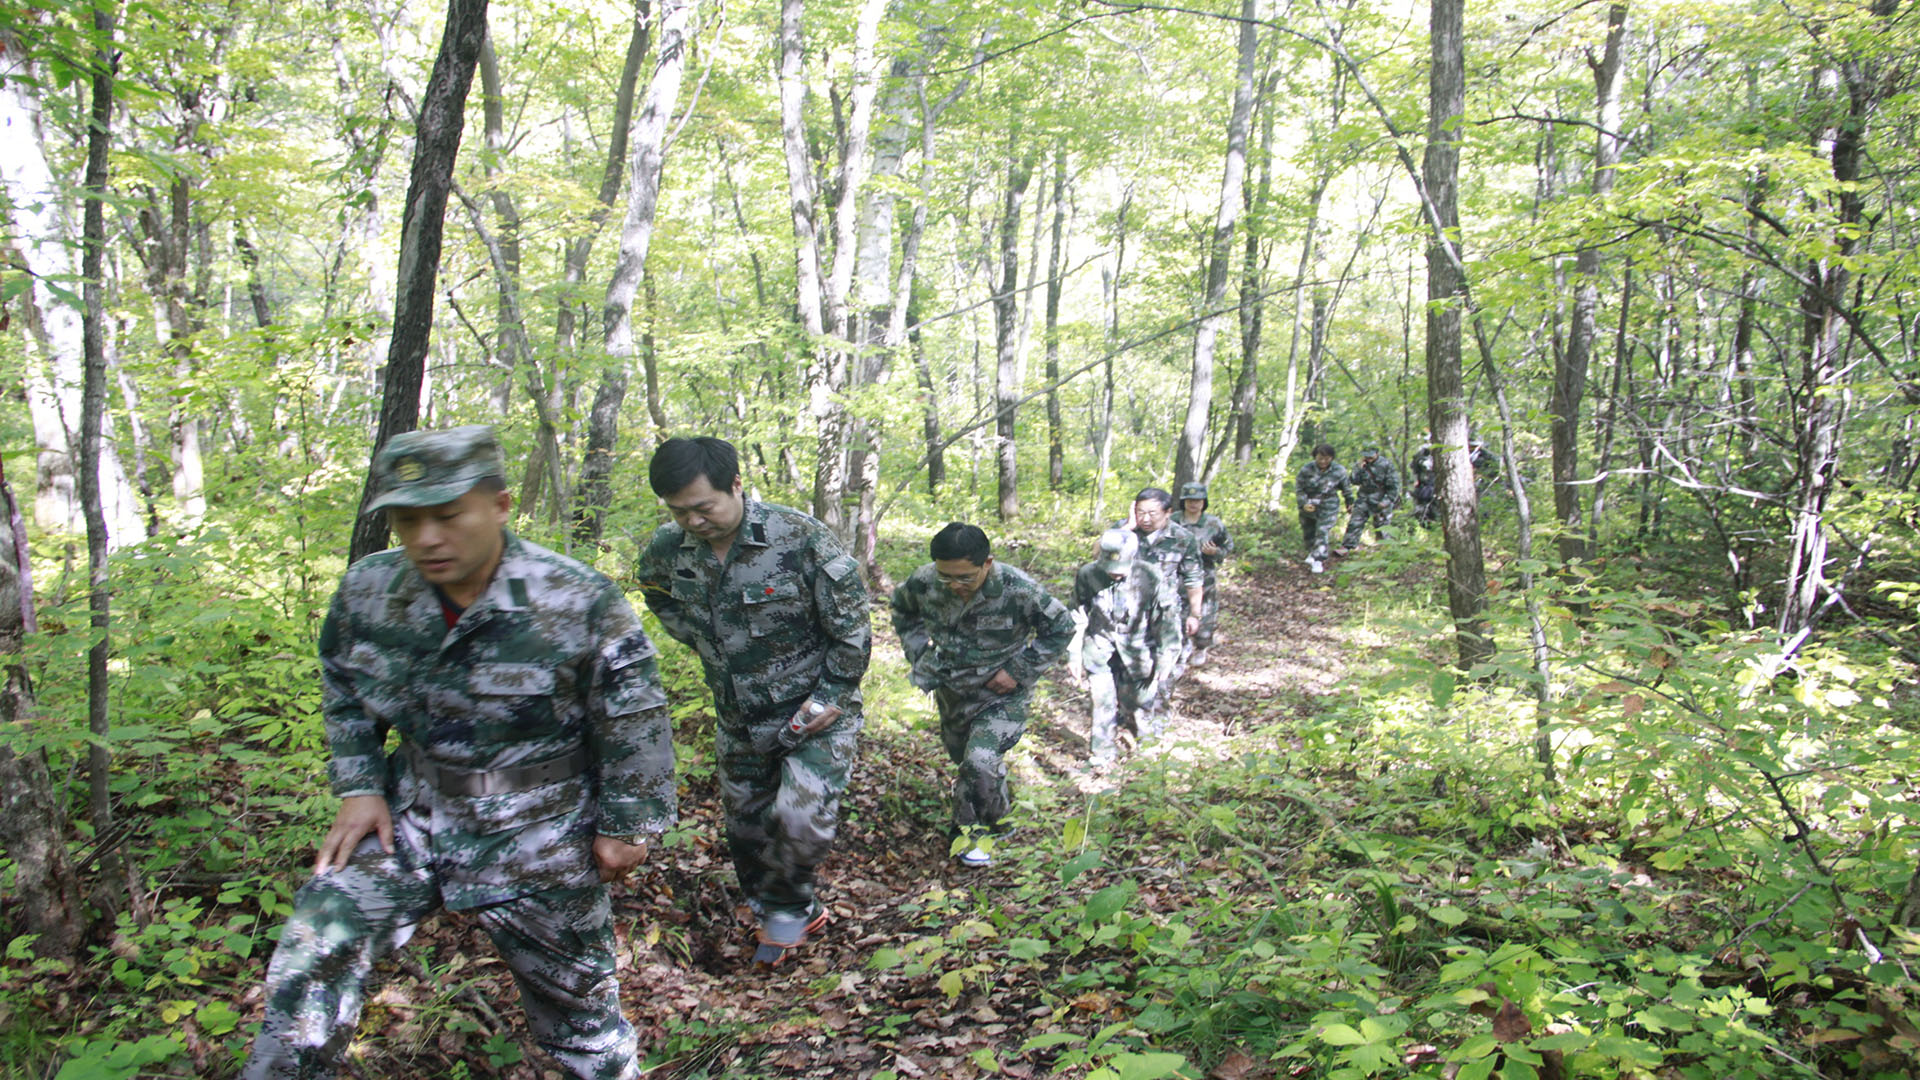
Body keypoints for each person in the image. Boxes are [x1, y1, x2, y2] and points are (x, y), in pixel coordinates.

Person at [245, 426, 677, 1080]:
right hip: (413, 817)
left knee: (581, 1024)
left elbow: (634, 714)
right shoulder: (371, 590)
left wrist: (628, 825)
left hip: (541, 831)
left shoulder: (576, 598)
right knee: (316, 943)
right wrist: (359, 784)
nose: (425, 538)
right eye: (406, 520)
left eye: (447, 516)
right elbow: (342, 678)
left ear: (500, 506)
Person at [634, 436, 869, 966]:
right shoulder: (667, 549)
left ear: (736, 485)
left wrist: (832, 696)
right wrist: (698, 638)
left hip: (815, 711)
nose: (692, 521)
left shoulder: (800, 538)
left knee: (801, 816)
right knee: (746, 828)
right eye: (678, 511)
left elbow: (852, 631)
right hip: (738, 716)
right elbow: (654, 590)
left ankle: (785, 914)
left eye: (703, 507)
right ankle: (780, 906)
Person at [889, 523, 1075, 867]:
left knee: (980, 760)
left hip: (1002, 693)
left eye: (965, 578)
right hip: (952, 687)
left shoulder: (1018, 588)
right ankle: (999, 813)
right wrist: (921, 654)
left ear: (986, 563)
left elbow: (1061, 627)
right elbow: (902, 611)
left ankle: (974, 835)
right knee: (966, 761)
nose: (955, 587)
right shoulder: (924, 581)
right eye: (947, 578)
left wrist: (1018, 671)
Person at [1069, 529, 1181, 770]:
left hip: (1139, 651)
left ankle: (1147, 752)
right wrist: (1074, 652)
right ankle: (1102, 755)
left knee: (1141, 702)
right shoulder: (1088, 575)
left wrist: (1166, 657)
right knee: (1102, 702)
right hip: (1099, 648)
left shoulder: (1151, 576)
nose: (1114, 574)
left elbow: (1167, 620)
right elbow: (1078, 614)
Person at [1128, 488, 1204, 686]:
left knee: (1164, 671)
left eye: (1152, 513)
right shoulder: (1125, 532)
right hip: (1128, 613)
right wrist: (1125, 529)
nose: (1145, 519)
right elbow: (1097, 554)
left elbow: (1193, 578)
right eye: (1140, 512)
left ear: (1168, 512)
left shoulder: (1183, 538)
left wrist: (1194, 614)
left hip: (1165, 614)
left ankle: (1158, 712)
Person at [1175, 482, 1233, 665]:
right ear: (1183, 501)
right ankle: (1179, 648)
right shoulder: (1172, 521)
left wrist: (1215, 553)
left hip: (1204, 576)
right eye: (1190, 500)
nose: (1193, 504)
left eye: (1198, 501)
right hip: (1176, 576)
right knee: (1176, 614)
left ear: (1204, 502)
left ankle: (1201, 647)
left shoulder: (1213, 524)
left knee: (1205, 615)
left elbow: (1228, 546)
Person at [1294, 443, 1351, 574]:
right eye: (1320, 458)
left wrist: (1349, 502)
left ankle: (1319, 559)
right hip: (1309, 503)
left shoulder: (1339, 470)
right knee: (1309, 531)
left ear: (1332, 458)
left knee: (1322, 531)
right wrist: (1304, 503)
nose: (1323, 461)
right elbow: (1299, 488)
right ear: (1315, 457)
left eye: (1327, 458)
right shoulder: (1306, 469)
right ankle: (1311, 552)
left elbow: (1346, 488)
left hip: (1328, 504)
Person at [1335, 446, 1401, 555]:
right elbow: (1354, 481)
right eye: (1366, 455)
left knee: (1383, 526)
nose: (1368, 457)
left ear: (1376, 453)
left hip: (1381, 498)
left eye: (1371, 455)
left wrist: (1387, 500)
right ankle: (1347, 546)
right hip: (1364, 498)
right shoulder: (1362, 465)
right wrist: (1358, 468)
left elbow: (1393, 486)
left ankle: (1385, 550)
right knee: (1355, 522)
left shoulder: (1386, 465)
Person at [1410, 434, 1437, 526]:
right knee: (1422, 505)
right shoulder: (1420, 455)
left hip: (1435, 484)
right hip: (1423, 486)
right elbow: (1414, 469)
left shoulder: (1440, 452)